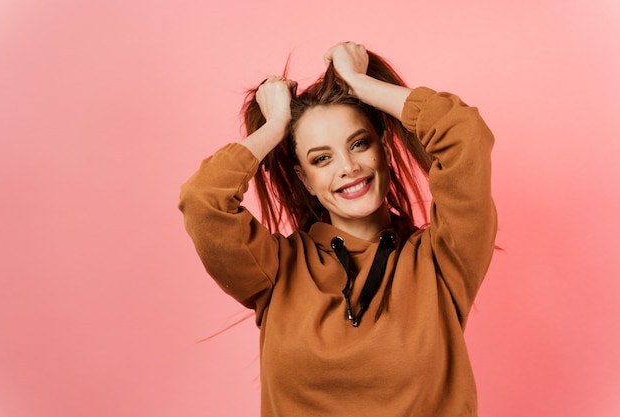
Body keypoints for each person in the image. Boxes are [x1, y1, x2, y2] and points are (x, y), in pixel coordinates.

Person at [179, 41, 497, 417]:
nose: (347, 167)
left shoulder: (442, 260)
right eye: (322, 158)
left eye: (359, 144)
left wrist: (360, 84)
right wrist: (275, 126)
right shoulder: (275, 270)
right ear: (305, 179)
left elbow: (464, 134)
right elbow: (203, 201)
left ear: (382, 148)